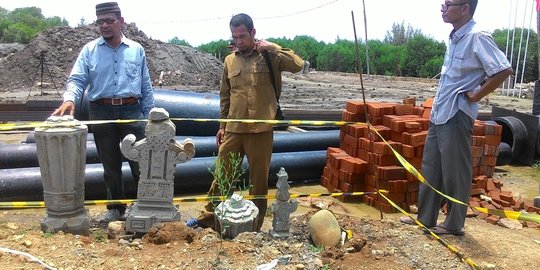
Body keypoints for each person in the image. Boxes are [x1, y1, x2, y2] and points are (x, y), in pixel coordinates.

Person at [401, 0, 512, 235]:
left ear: (465, 8)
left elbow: (503, 70)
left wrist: (476, 95)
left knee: (455, 171)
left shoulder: (477, 36)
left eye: (448, 3)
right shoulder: (454, 38)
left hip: (457, 114)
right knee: (431, 167)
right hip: (440, 112)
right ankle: (426, 218)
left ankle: (454, 223)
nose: (442, 7)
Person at [187, 13, 305, 231]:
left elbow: (297, 65)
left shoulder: (270, 57)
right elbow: (225, 96)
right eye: (235, 37)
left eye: (243, 36)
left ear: (253, 33)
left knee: (258, 182)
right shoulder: (229, 61)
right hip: (234, 129)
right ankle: (207, 219)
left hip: (261, 130)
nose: (239, 41)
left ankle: (254, 226)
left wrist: (273, 47)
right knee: (222, 176)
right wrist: (222, 126)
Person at [52, 1, 154, 223]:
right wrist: (69, 99)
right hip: (101, 111)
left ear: (121, 21)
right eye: (101, 22)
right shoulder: (89, 51)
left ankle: (146, 204)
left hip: (131, 109)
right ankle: (116, 209)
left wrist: (151, 116)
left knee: (140, 162)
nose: (105, 26)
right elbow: (77, 79)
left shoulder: (136, 50)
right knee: (110, 164)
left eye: (110, 20)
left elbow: (145, 85)